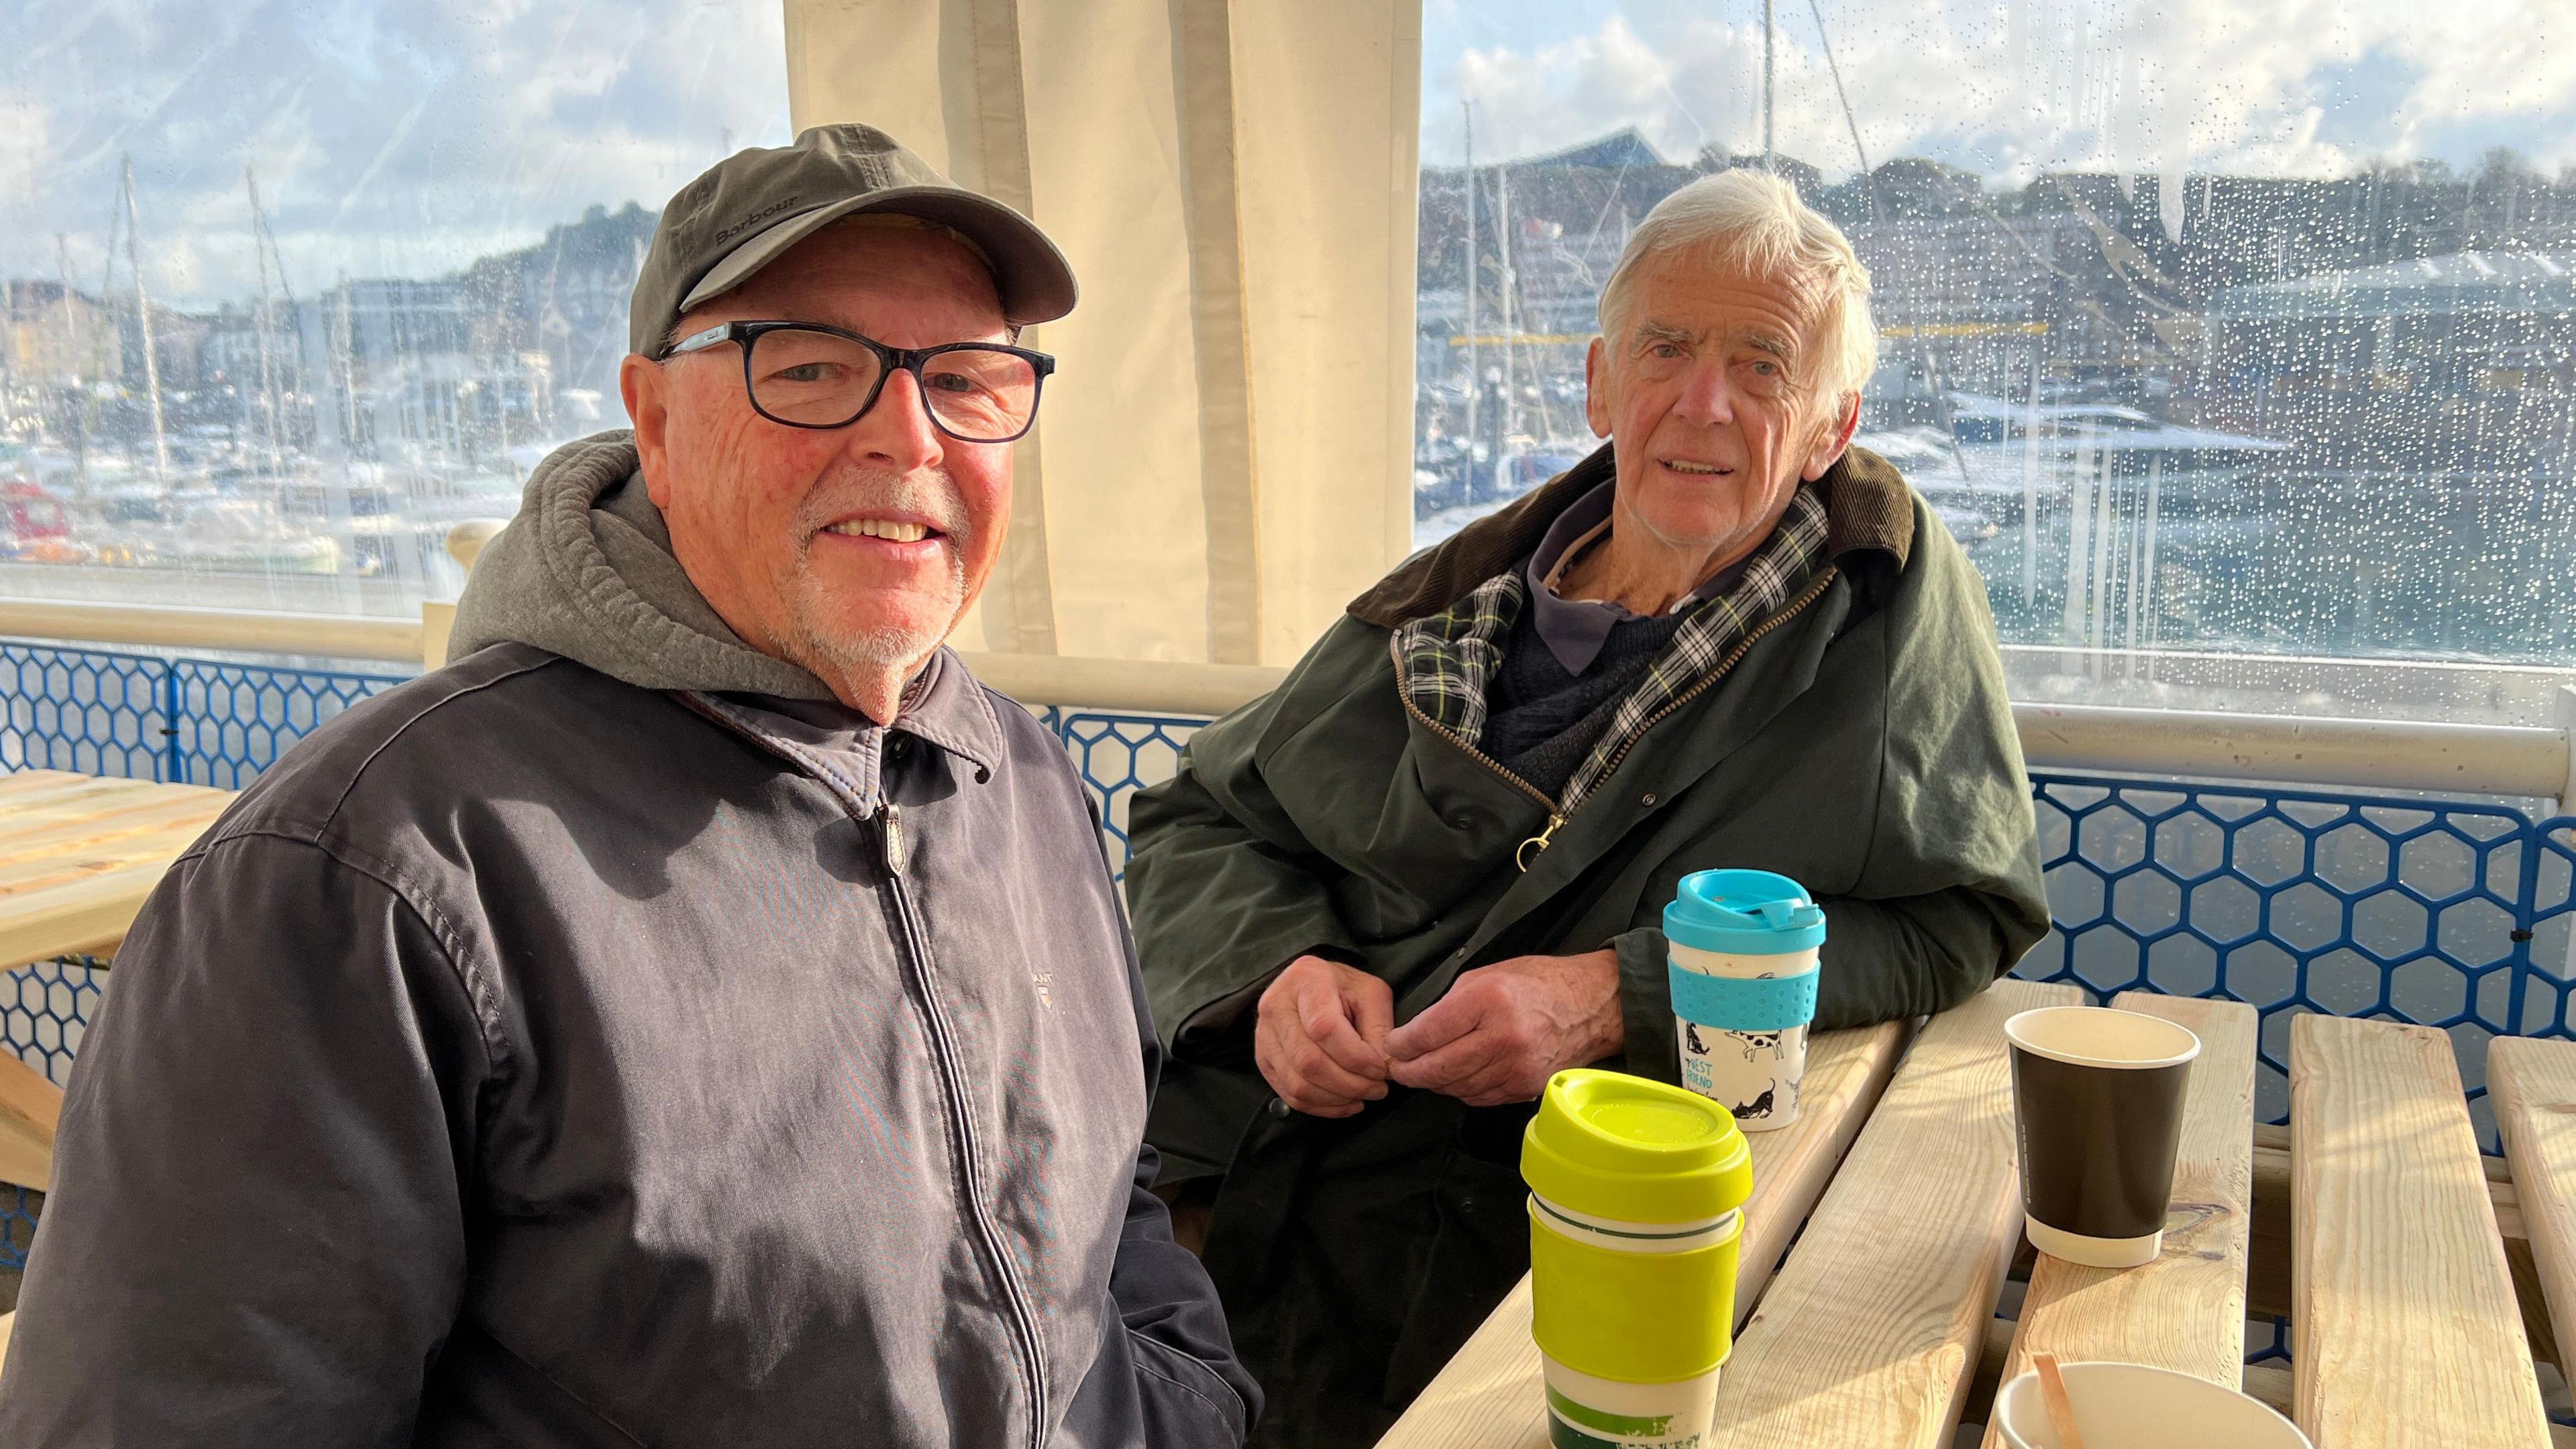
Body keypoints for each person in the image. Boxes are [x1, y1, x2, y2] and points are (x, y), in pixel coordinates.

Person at [0, 125, 1256, 1448]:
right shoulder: (367, 874)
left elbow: (1109, 1201)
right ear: (652, 419)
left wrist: (1185, 1402)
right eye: (812, 368)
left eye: (968, 378)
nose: (909, 433)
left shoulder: (1023, 773)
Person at [1124, 168, 2050, 1447]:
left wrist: (1620, 991)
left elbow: (1958, 923)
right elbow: (1196, 824)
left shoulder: (1877, 613)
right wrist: (1278, 974)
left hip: (1585, 1226)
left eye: (1762, 363)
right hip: (1271, 1178)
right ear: (1601, 385)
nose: (1703, 401)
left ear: (1833, 427)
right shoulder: (1442, 606)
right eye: (1666, 347)